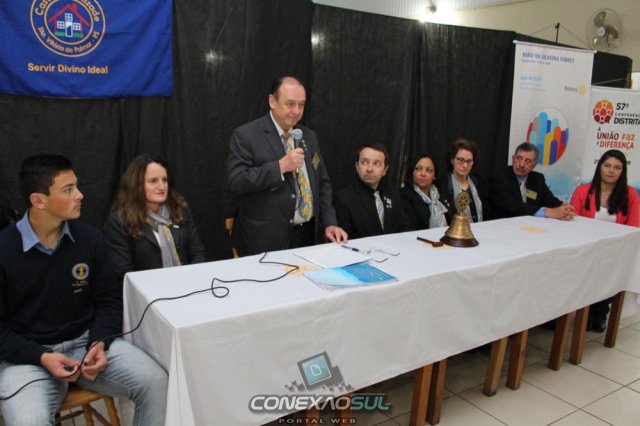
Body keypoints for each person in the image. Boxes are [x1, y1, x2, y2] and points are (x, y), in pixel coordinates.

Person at [0, 155, 167, 425]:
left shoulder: (90, 239)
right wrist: (41, 357)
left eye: (76, 186)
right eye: (68, 190)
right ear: (38, 200)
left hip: (86, 344)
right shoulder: (4, 249)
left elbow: (109, 301)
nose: (80, 195)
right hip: (28, 359)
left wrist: (99, 342)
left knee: (156, 382)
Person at [227, 76, 347, 255]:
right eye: (290, 104)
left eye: (301, 105)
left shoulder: (309, 136)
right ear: (272, 101)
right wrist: (280, 167)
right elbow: (236, 181)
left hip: (308, 235)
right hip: (266, 239)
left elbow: (322, 183)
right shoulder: (246, 135)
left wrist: (330, 223)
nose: (296, 111)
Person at [104, 154, 206, 284]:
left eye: (164, 180)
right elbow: (123, 272)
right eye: (153, 181)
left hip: (187, 285)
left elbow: (198, 253)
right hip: (146, 291)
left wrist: (191, 281)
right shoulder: (120, 220)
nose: (162, 187)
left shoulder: (180, 210)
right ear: (137, 185)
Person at [570, 149, 639, 331]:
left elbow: (634, 228)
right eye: (607, 166)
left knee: (611, 276)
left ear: (622, 171)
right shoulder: (582, 191)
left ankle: (600, 312)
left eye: (617, 167)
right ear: (600, 167)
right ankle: (586, 313)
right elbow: (572, 224)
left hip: (616, 253)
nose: (611, 171)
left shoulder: (631, 195)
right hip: (587, 250)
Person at [334, 143, 410, 238]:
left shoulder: (393, 194)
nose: (369, 169)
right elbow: (344, 239)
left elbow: (404, 228)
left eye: (376, 163)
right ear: (357, 166)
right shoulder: (343, 199)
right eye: (364, 162)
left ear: (385, 170)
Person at [490, 142, 575, 220]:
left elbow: (551, 201)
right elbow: (511, 205)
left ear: (534, 165)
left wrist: (564, 209)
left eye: (527, 161)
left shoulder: (538, 179)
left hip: (531, 225)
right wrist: (547, 212)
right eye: (519, 158)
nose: (521, 164)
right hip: (504, 224)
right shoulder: (499, 176)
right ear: (513, 159)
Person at [437, 139, 487, 223]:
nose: (465, 165)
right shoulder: (441, 186)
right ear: (452, 160)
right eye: (461, 160)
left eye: (469, 161)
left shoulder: (479, 182)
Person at [401, 153, 448, 229]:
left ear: (434, 175)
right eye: (418, 169)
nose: (423, 174)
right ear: (412, 172)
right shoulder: (403, 196)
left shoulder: (440, 195)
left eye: (429, 170)